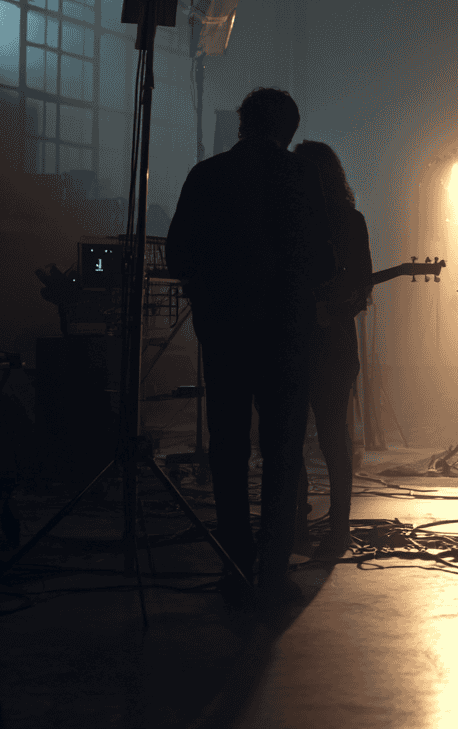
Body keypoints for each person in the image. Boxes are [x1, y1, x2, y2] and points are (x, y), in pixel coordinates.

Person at [165, 87, 336, 604]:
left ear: (241, 124)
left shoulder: (208, 176)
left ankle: (234, 563)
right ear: (288, 130)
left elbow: (178, 256)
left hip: (226, 334)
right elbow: (325, 265)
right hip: (286, 335)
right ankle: (274, 568)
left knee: (229, 448)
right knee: (283, 451)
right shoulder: (303, 179)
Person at [291, 140, 371, 561]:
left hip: (317, 344)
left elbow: (361, 291)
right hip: (326, 344)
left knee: (311, 439)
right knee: (330, 439)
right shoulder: (346, 220)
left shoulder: (337, 222)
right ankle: (329, 527)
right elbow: (364, 292)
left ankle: (318, 527)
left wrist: (330, 306)